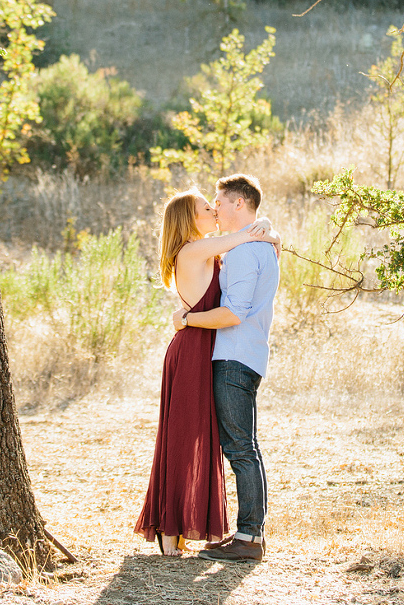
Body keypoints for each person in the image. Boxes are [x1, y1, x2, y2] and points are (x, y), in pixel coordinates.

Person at [134, 188, 278, 556]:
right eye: (206, 207)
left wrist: (270, 231)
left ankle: (188, 529)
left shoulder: (209, 248)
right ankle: (169, 531)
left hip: (205, 348)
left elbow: (250, 236)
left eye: (215, 204)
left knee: (199, 439)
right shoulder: (194, 249)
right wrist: (264, 229)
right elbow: (246, 235)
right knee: (181, 439)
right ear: (189, 218)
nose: (214, 210)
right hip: (194, 348)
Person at [176, 173, 280, 563]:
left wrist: (187, 319)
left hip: (234, 357)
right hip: (249, 355)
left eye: (219, 201)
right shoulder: (265, 246)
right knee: (243, 447)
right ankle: (249, 534)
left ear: (239, 204)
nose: (215, 208)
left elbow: (233, 313)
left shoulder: (241, 252)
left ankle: (250, 537)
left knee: (241, 450)